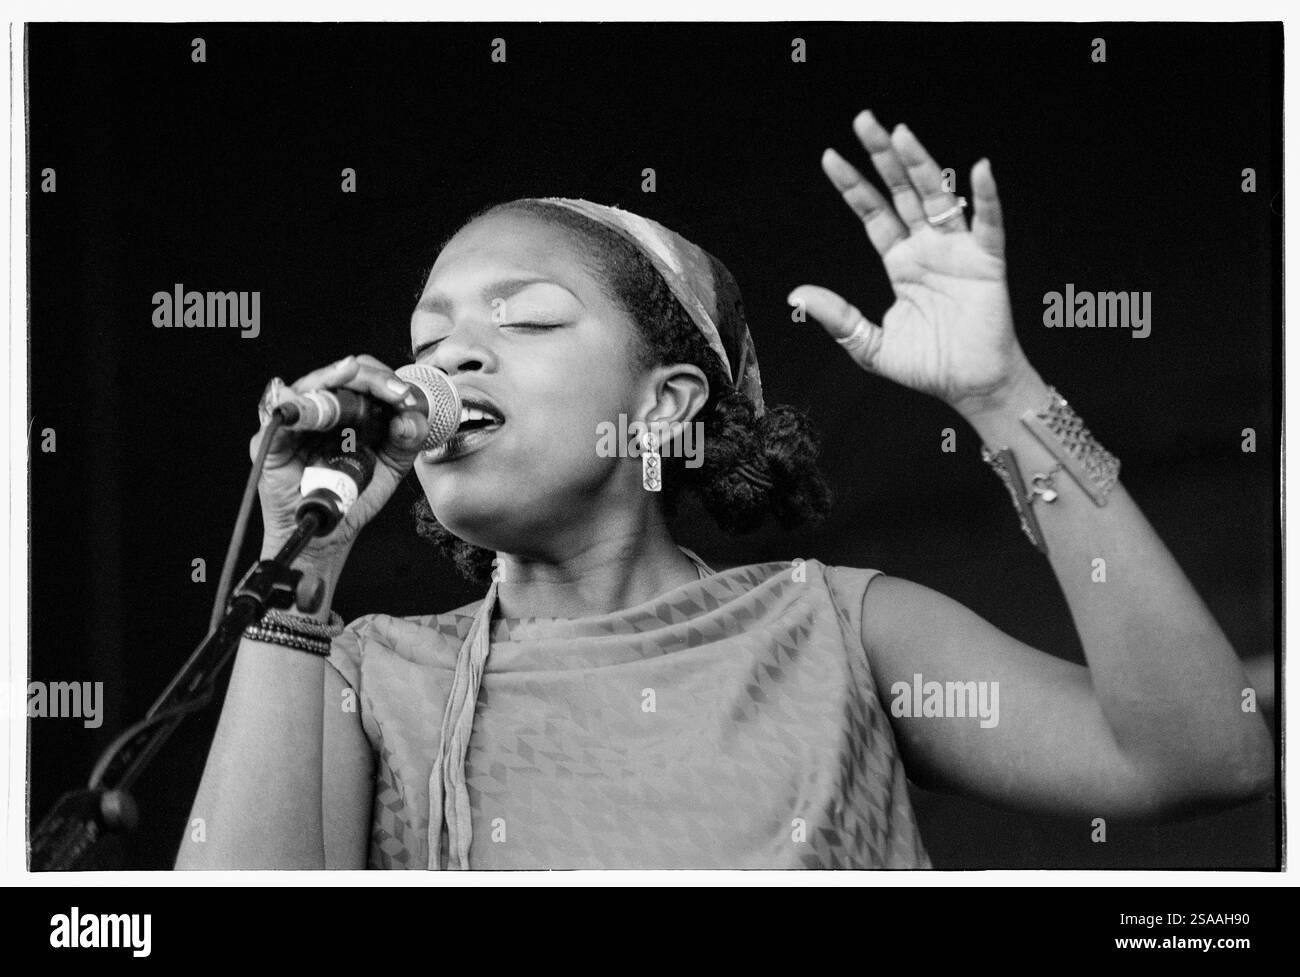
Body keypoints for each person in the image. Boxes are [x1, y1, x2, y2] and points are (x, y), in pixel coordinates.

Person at [175, 110, 1273, 870]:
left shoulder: (838, 628)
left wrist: (1003, 393)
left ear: (662, 407)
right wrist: (299, 583)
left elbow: (1201, 754)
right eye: (428, 336)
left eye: (526, 318)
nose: (445, 360)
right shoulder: (358, 673)